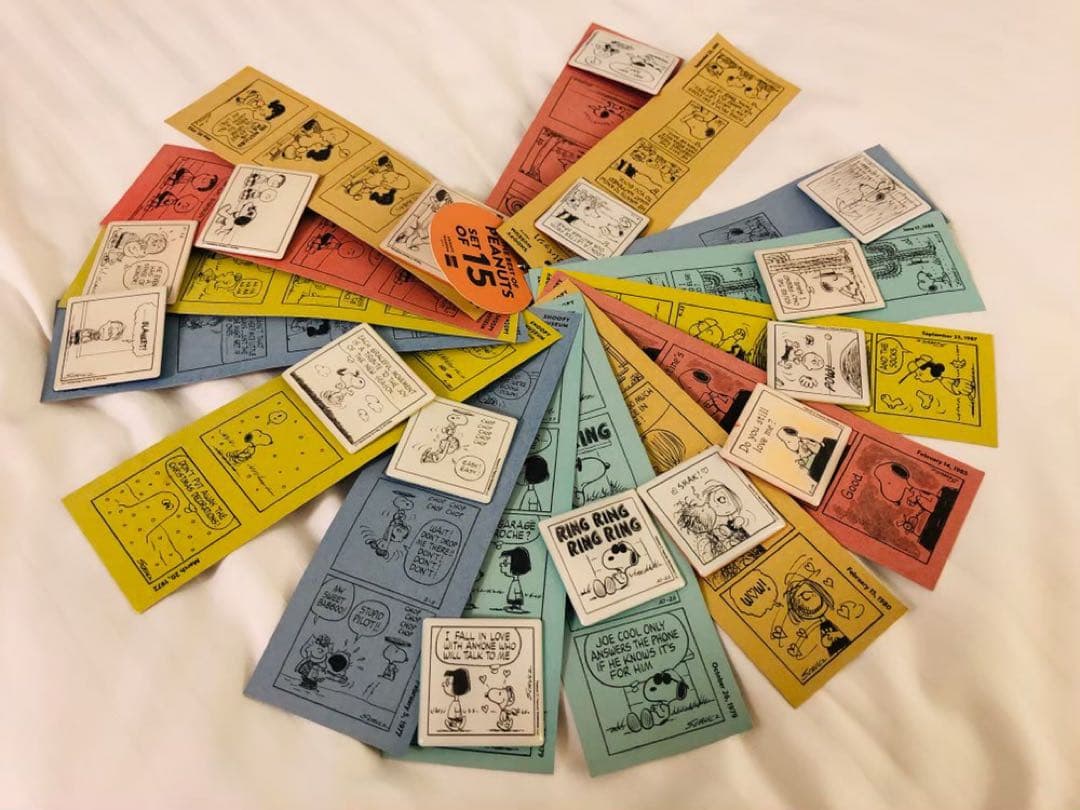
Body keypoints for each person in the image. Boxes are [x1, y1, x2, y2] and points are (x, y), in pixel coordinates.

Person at [498, 547, 531, 612]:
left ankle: (517, 606)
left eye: (505, 563)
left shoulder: (516, 582)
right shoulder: (514, 581)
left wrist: (518, 599)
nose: (501, 565)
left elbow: (518, 592)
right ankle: (514, 606)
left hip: (516, 599)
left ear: (515, 565)